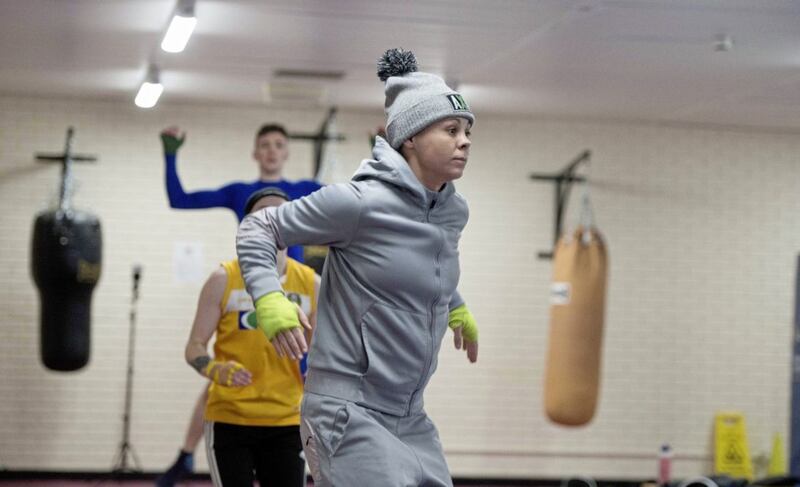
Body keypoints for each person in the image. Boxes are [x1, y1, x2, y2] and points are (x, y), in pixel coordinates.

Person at [236, 48, 479, 486]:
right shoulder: (357, 202)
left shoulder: (451, 211)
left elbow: (420, 268)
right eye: (450, 129)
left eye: (466, 130)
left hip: (411, 414)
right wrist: (269, 295)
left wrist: (455, 305)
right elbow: (259, 227)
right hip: (347, 411)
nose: (464, 140)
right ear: (411, 137)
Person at [177, 187, 318, 487]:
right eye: (262, 213)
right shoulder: (223, 279)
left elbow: (325, 351)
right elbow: (194, 347)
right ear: (248, 226)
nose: (272, 219)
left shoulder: (311, 283)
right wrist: (215, 369)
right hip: (230, 419)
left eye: (280, 213)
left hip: (287, 421)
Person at [160, 123, 322, 261]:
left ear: (286, 153)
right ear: (255, 154)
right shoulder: (239, 192)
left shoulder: (305, 189)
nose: (272, 151)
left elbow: (346, 202)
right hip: (254, 278)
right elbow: (180, 200)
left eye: (279, 145)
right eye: (265, 145)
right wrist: (170, 155)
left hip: (296, 281)